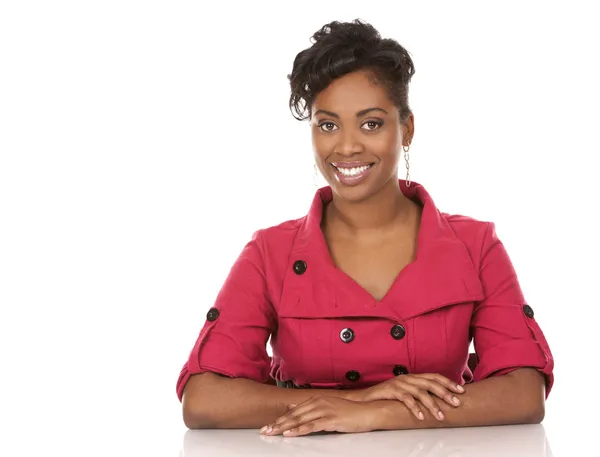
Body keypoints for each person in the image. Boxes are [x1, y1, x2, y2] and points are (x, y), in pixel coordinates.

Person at [176, 19, 554, 437]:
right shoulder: (270, 252)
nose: (347, 146)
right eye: (328, 124)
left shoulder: (475, 244)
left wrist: (380, 414)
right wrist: (357, 400)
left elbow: (523, 394)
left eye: (371, 123)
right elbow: (204, 400)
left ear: (406, 129)